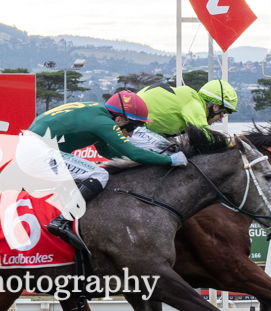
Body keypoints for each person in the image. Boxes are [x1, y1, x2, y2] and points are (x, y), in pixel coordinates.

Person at [21, 91, 188, 252]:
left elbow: (106, 152)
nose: (130, 134)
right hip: (36, 150)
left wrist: (147, 160)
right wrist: (169, 160)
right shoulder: (104, 122)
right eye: (133, 127)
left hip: (34, 146)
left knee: (91, 172)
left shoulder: (98, 115)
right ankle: (61, 221)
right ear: (120, 119)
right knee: (98, 174)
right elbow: (133, 152)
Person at [136, 78, 239, 137]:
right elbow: (206, 137)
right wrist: (231, 143)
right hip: (133, 126)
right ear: (215, 107)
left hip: (138, 126)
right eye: (223, 113)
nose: (220, 118)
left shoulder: (191, 99)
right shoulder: (195, 105)